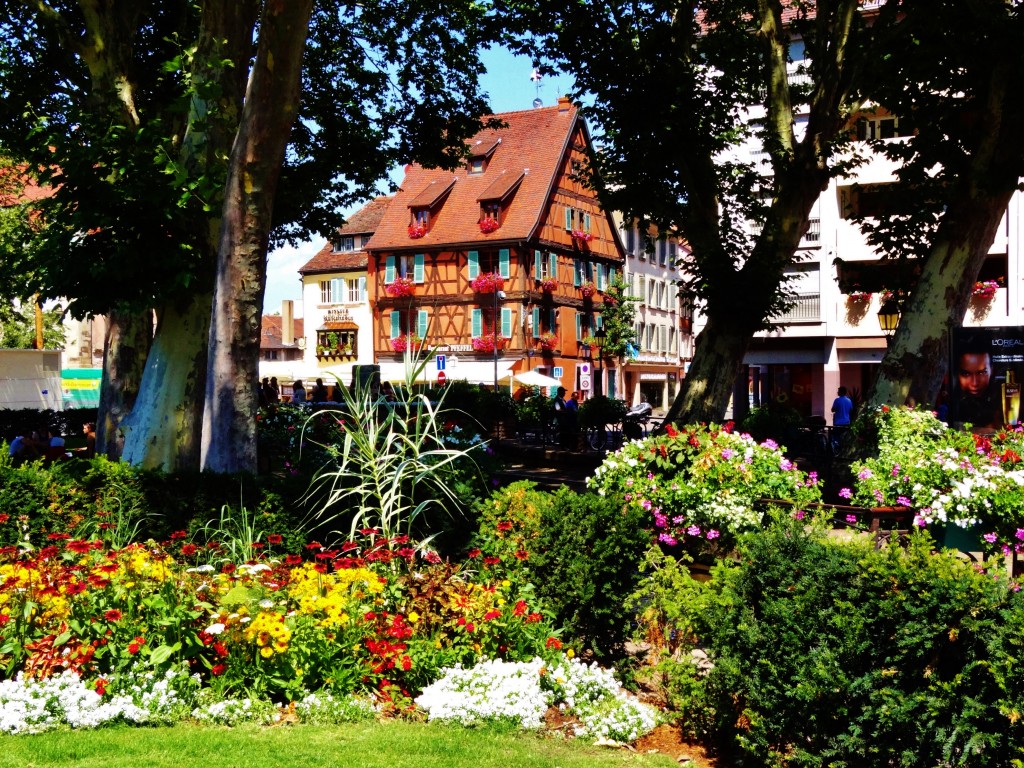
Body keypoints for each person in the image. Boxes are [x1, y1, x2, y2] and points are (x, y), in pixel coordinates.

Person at [955, 350, 998, 432]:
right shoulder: (951, 404)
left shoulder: (999, 401)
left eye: (982, 373)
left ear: (991, 370)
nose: (974, 383)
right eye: (966, 374)